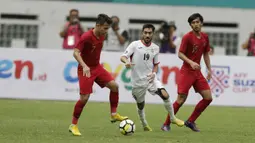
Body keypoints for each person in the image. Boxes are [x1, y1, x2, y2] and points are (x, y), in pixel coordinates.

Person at [69, 14, 128, 136]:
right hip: (85, 69)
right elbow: (75, 53)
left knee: (114, 86)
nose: (107, 31)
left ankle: (113, 114)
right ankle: (73, 125)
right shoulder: (86, 37)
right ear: (97, 25)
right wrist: (84, 65)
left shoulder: (102, 35)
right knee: (84, 98)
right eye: (105, 28)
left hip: (97, 68)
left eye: (108, 28)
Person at [120, 24, 184, 131]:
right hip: (138, 82)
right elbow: (123, 57)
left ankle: (172, 118)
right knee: (141, 105)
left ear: (153, 34)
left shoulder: (155, 48)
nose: (147, 35)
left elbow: (155, 64)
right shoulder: (135, 45)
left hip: (151, 79)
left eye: (149, 33)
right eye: (145, 32)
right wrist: (126, 62)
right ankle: (144, 123)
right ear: (142, 33)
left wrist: (154, 73)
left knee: (165, 95)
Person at [161, 13, 213, 132]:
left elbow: (205, 53)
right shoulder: (187, 37)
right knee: (181, 99)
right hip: (187, 71)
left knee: (208, 98)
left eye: (197, 22)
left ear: (201, 23)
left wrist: (209, 69)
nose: (196, 24)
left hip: (197, 72)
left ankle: (190, 121)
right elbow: (180, 54)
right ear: (190, 25)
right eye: (193, 23)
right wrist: (191, 62)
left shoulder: (205, 37)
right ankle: (166, 124)